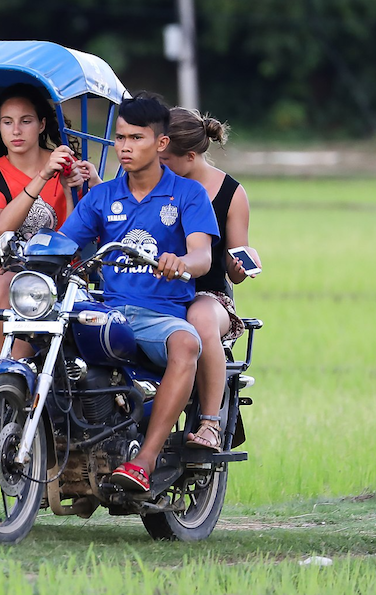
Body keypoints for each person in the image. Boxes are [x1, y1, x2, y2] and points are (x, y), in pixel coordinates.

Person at [59, 92, 219, 492]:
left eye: (136, 138)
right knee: (35, 329)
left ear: (161, 143)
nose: (125, 147)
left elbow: (202, 255)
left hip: (158, 315)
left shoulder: (188, 195)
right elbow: (63, 244)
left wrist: (181, 261)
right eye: (120, 138)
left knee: (186, 345)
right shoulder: (102, 195)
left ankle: (144, 460)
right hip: (105, 310)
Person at [0, 83, 84, 383]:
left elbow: (78, 236)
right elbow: (1, 225)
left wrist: (67, 186)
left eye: (26, 121)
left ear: (42, 124)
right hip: (4, 261)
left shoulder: (65, 166)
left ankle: (14, 378)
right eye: (7, 122)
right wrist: (42, 176)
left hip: (56, 269)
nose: (16, 131)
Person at [160, 107, 261, 450]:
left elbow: (237, 257)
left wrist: (240, 267)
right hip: (153, 288)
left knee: (200, 319)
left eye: (166, 159)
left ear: (189, 156)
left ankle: (210, 423)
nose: (159, 166)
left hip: (207, 293)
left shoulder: (231, 193)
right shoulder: (147, 181)